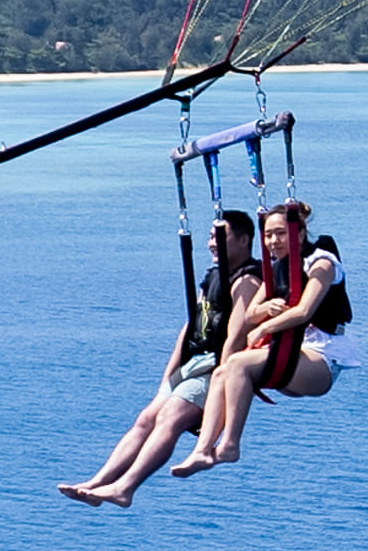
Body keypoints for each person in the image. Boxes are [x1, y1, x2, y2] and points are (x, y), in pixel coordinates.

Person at [59, 211, 251, 506]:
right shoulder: (214, 276)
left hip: (213, 367)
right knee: (145, 419)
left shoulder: (247, 280)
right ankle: (99, 482)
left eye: (219, 238)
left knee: (169, 418)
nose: (212, 244)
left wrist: (219, 384)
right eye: (211, 237)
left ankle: (126, 487)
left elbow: (236, 337)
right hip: (193, 362)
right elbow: (191, 326)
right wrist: (168, 377)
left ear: (244, 240)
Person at [174, 196, 346, 474]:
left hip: (322, 356)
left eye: (281, 233)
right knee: (222, 371)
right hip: (288, 353)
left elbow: (303, 311)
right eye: (268, 235)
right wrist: (264, 309)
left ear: (299, 233)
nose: (274, 241)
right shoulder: (277, 268)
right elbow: (253, 312)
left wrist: (264, 327)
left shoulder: (321, 263)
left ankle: (229, 445)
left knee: (239, 364)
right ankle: (202, 451)